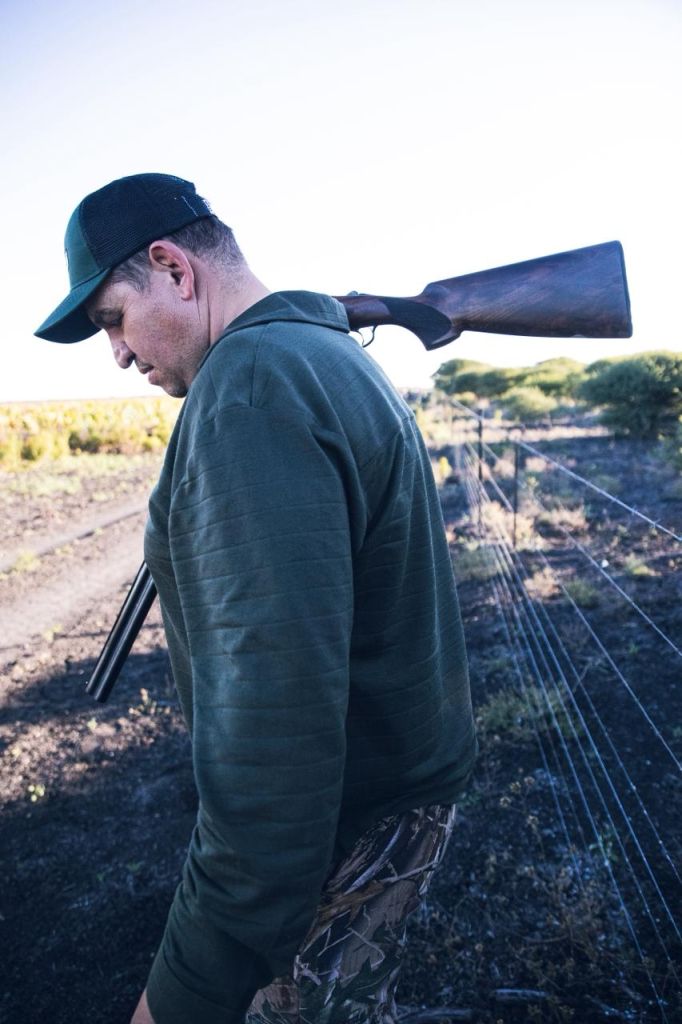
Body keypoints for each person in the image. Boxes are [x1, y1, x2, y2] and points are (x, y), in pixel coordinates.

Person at [36, 173, 477, 1024]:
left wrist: (187, 989)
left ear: (173, 268)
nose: (120, 355)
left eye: (112, 321)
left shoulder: (250, 389)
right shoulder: (318, 353)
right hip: (395, 792)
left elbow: (274, 733)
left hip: (343, 823)